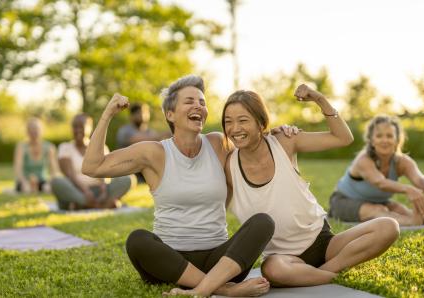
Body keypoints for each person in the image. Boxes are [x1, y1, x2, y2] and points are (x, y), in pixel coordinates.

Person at [82, 75, 287, 297]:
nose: (198, 106)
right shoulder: (154, 153)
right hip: (168, 262)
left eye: (202, 102)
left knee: (263, 222)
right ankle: (224, 289)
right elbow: (92, 166)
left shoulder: (218, 143)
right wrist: (107, 114)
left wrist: (278, 133)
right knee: (138, 240)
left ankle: (202, 289)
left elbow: (251, 142)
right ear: (170, 114)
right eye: (189, 101)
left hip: (218, 261)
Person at [222, 86, 400, 287]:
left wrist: (319, 98)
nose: (235, 129)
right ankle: (334, 276)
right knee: (272, 270)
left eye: (243, 120)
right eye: (228, 122)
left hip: (324, 243)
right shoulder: (228, 166)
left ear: (261, 122)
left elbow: (343, 138)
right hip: (283, 259)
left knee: (388, 227)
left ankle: (317, 273)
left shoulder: (284, 142)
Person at [328, 115, 424, 226]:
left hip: (378, 201)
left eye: (389, 136)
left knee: (400, 209)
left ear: (397, 140)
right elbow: (380, 183)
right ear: (372, 140)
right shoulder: (363, 160)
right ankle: (412, 222)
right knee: (379, 210)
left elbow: (419, 178)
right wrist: (408, 189)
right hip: (343, 201)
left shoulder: (402, 161)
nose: (384, 140)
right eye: (379, 136)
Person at [51, 114, 133, 210]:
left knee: (127, 178)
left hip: (98, 190)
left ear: (90, 128)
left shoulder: (100, 147)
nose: (77, 130)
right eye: (74, 127)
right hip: (76, 190)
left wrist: (104, 190)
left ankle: (84, 205)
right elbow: (70, 175)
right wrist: (85, 191)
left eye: (81, 126)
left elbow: (105, 172)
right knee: (56, 182)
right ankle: (97, 205)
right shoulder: (65, 147)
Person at [12, 117, 59, 193]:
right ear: (27, 131)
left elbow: (54, 170)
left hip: (42, 181)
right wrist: (24, 182)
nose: (34, 132)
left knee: (47, 189)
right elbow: (17, 168)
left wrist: (49, 183)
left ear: (41, 131)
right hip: (25, 180)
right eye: (31, 129)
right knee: (27, 190)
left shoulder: (49, 147)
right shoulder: (21, 147)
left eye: (36, 129)